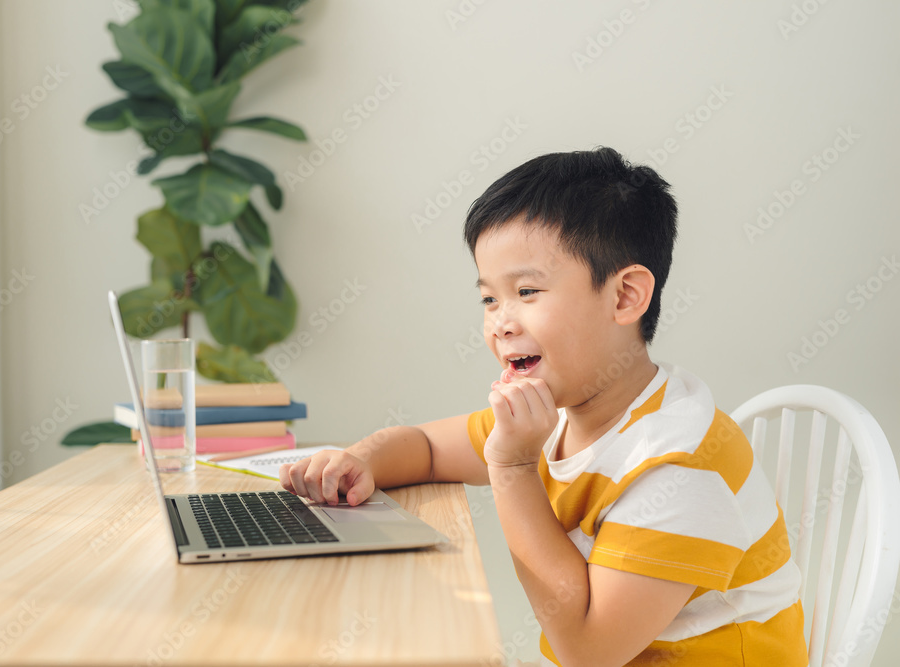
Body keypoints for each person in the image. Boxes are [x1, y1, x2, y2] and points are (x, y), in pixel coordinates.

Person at [279, 148, 808, 666]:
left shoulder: (678, 466)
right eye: (489, 298)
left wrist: (511, 468)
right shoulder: (558, 410)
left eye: (526, 291)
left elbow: (587, 651)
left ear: (625, 297)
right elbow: (425, 449)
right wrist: (358, 460)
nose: (500, 322)